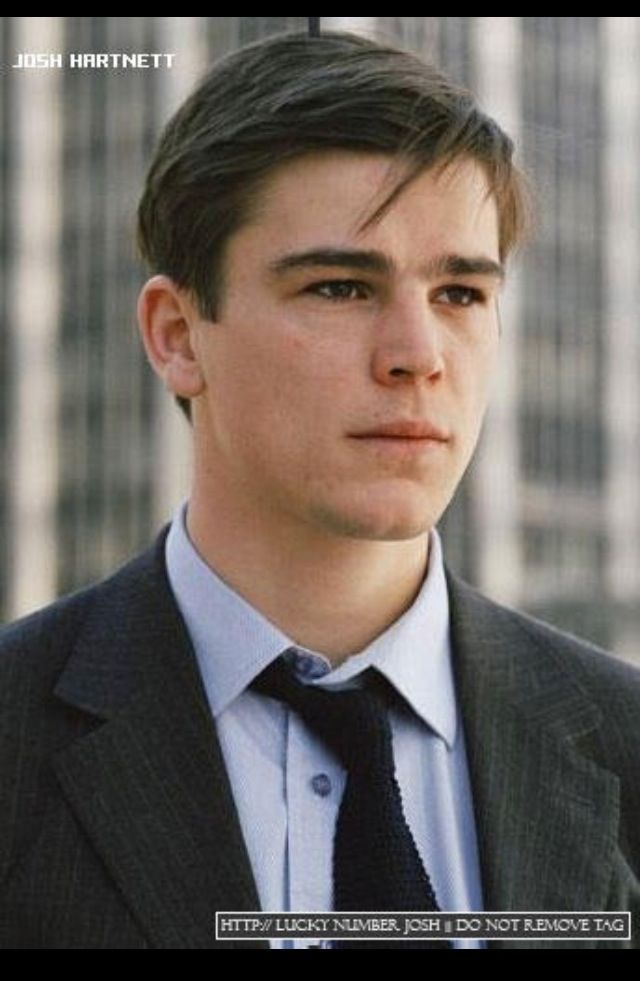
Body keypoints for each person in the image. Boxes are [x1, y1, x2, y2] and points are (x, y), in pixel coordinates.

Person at [1, 30, 639, 951]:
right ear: (179, 335)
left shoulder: (622, 744)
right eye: (341, 286)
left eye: (460, 293)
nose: (418, 356)